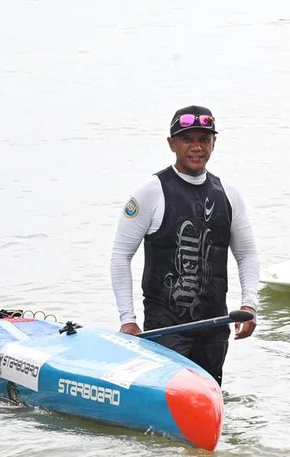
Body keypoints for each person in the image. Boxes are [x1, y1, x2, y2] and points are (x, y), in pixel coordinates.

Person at [110, 105, 260, 386]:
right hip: (165, 330)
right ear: (171, 143)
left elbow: (247, 254)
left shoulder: (229, 195)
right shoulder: (151, 192)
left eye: (204, 139)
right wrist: (127, 320)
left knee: (208, 399)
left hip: (214, 327)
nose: (196, 147)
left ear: (214, 143)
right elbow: (120, 256)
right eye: (187, 139)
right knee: (175, 394)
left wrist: (250, 303)